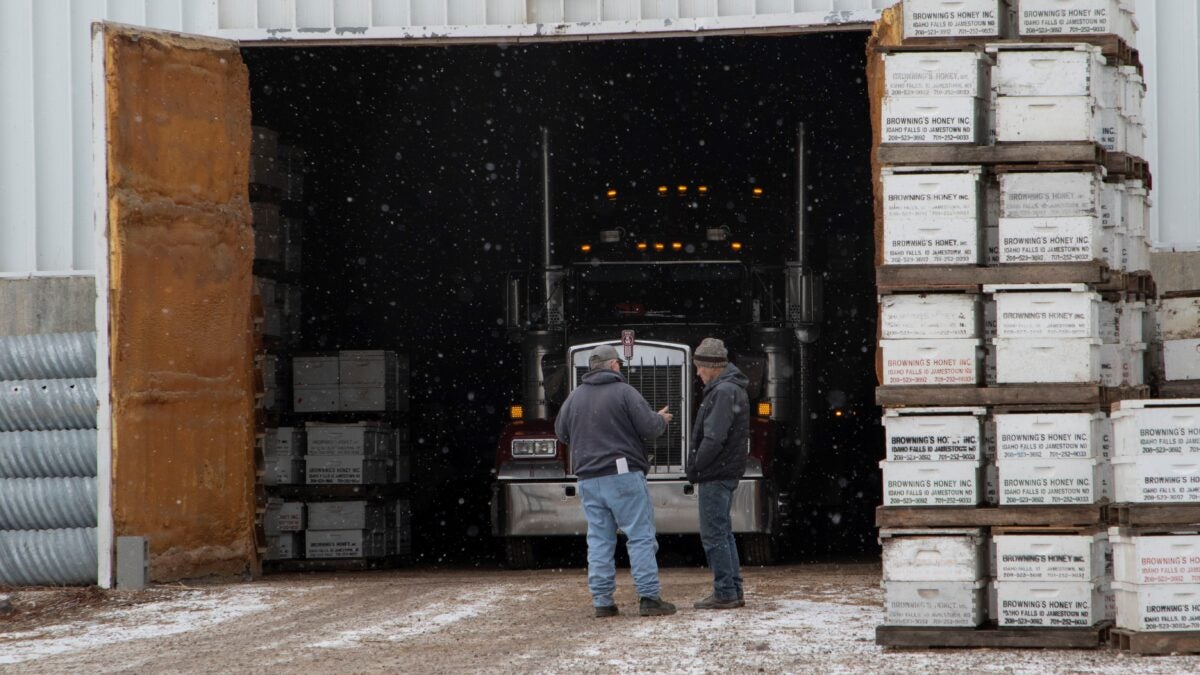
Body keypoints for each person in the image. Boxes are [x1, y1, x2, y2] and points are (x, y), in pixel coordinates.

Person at [554, 344, 677, 618]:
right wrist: (661, 419)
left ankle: (602, 601)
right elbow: (649, 428)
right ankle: (648, 597)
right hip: (622, 475)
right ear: (612, 366)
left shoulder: (574, 397)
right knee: (640, 536)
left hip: (588, 477)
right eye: (619, 364)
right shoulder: (624, 392)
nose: (620, 368)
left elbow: (561, 433)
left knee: (599, 539)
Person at [686, 337, 750, 610]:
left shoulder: (723, 392)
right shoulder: (731, 389)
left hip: (716, 472)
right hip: (725, 471)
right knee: (723, 532)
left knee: (713, 534)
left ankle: (725, 591)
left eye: (700, 367)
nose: (698, 373)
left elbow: (714, 438)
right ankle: (732, 589)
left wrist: (696, 465)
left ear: (713, 366)